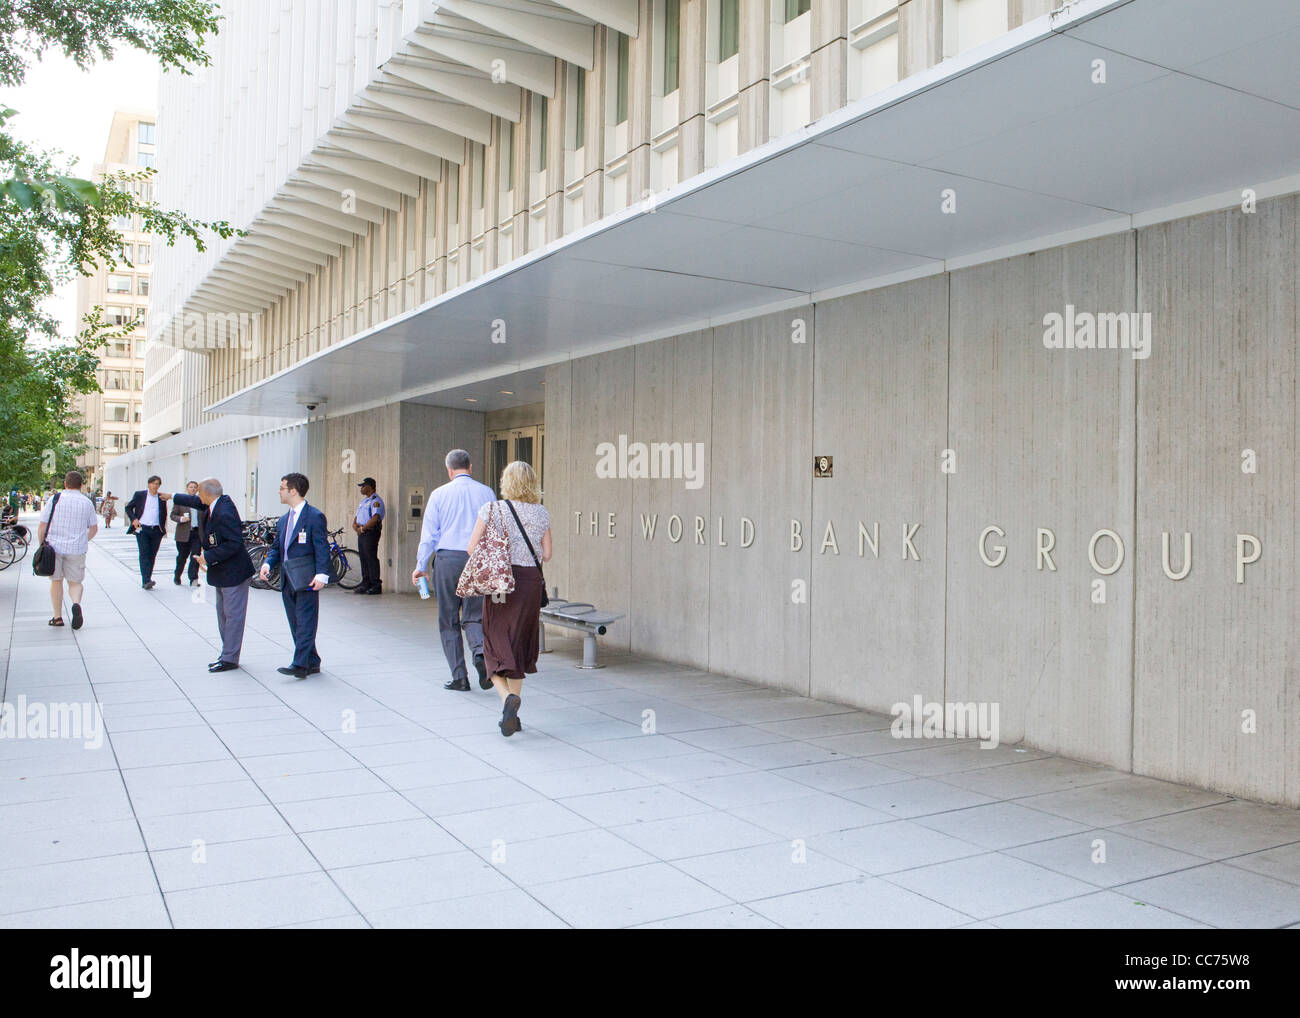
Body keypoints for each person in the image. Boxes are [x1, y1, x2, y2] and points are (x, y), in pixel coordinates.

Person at [467, 461, 551, 736]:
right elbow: (547, 554)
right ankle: (513, 715)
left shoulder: (491, 509)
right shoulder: (541, 513)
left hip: (501, 582)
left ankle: (507, 700)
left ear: (506, 482)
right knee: (519, 645)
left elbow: (472, 547)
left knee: (493, 641)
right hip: (530, 583)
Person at [412, 449, 496, 691]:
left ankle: (459, 677)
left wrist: (421, 567)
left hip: (447, 560)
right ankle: (479, 653)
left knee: (448, 619)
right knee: (474, 616)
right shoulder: (487, 492)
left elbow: (429, 535)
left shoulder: (439, 494)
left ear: (449, 470)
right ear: (470, 467)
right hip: (476, 559)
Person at [163, 479, 255, 673]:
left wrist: (208, 557)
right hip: (222, 571)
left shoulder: (224, 511)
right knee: (223, 615)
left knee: (233, 616)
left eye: (198, 494)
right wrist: (172, 496)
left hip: (234, 572)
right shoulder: (215, 503)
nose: (197, 497)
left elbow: (234, 543)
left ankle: (230, 658)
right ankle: (227, 653)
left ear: (205, 493)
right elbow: (195, 503)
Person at [261, 472, 331, 678]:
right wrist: (267, 563)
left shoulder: (314, 516)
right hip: (287, 578)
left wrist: (322, 575)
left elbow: (322, 548)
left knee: (305, 620)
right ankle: (312, 660)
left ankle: (300, 664)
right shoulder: (284, 520)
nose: (279, 491)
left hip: (307, 577)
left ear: (293, 491)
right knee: (295, 621)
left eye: (282, 488)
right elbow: (277, 547)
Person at [36, 471, 99, 630]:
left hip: (54, 548)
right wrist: (84, 540)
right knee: (75, 582)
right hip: (76, 549)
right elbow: (93, 528)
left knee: (56, 581)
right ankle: (76, 604)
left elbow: (43, 525)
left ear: (65, 484)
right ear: (81, 485)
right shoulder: (86, 502)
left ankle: (57, 617)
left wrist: (41, 543)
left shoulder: (54, 499)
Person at [124, 476, 168, 588]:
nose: (155, 486)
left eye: (157, 484)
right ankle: (146, 580)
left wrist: (163, 529)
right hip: (142, 529)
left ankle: (148, 577)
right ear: (148, 484)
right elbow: (128, 508)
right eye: (153, 483)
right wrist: (134, 519)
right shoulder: (140, 495)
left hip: (156, 530)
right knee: (144, 553)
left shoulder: (161, 497)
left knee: (152, 554)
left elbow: (164, 513)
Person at [352, 477, 385, 595]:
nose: (361, 488)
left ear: (370, 486)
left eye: (363, 486)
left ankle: (375, 584)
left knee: (371, 558)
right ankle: (366, 583)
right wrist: (356, 527)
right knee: (363, 558)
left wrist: (362, 528)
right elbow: (356, 517)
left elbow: (375, 518)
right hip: (362, 532)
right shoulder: (364, 502)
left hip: (370, 532)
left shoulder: (376, 501)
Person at [170, 480, 203, 585]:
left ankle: (193, 579)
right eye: (191, 487)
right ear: (187, 489)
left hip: (197, 533)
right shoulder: (180, 501)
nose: (193, 489)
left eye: (195, 487)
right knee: (182, 556)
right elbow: (172, 515)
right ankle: (177, 575)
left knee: (195, 556)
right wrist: (180, 519)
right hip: (183, 533)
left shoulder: (201, 501)